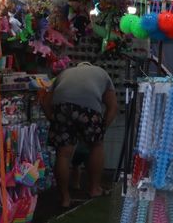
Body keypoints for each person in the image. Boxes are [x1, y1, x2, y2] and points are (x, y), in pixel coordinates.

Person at [43, 62, 117, 208]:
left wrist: (54, 120)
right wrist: (101, 130)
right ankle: (94, 189)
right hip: (88, 108)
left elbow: (45, 102)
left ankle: (65, 198)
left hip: (62, 107)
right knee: (96, 146)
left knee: (63, 154)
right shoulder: (102, 73)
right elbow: (113, 107)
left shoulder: (64, 74)